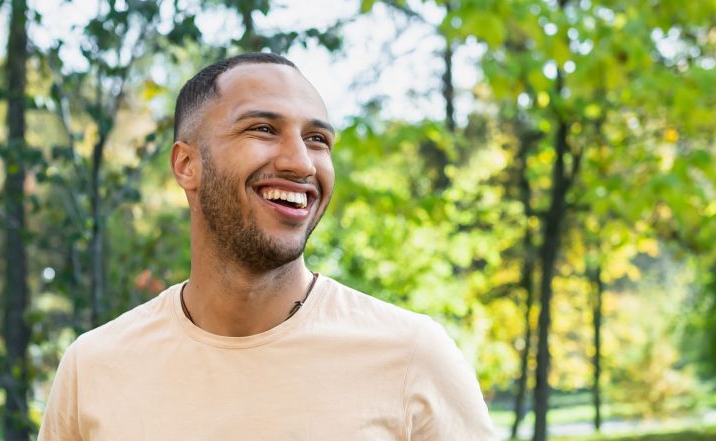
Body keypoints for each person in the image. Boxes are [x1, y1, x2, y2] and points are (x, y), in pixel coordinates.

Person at [38, 53, 497, 440]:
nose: (300, 162)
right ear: (186, 165)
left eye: (317, 140)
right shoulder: (94, 368)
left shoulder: (413, 357)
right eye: (262, 129)